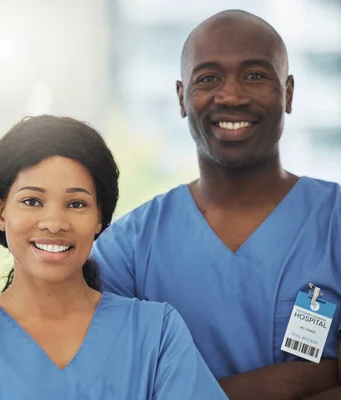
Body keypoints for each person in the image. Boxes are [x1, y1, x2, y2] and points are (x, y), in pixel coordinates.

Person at [90, 9, 341, 399]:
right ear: (181, 98)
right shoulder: (129, 249)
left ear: (288, 92)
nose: (232, 95)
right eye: (208, 78)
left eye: (255, 75)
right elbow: (113, 385)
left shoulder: (334, 220)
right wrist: (312, 377)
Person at [0, 115, 227, 399]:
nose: (54, 223)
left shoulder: (157, 334)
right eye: (32, 201)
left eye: (77, 204)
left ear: (100, 217)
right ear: (0, 213)